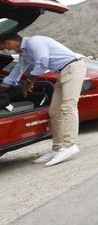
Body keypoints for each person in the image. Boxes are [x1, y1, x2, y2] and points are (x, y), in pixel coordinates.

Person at [0, 33, 86, 166]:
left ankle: (69, 146)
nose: (7, 50)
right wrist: (3, 86)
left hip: (73, 68)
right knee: (54, 111)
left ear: (11, 41)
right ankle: (57, 148)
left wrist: (30, 82)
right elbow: (17, 70)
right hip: (63, 72)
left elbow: (43, 61)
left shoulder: (34, 42)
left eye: (5, 46)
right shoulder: (24, 53)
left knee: (68, 107)